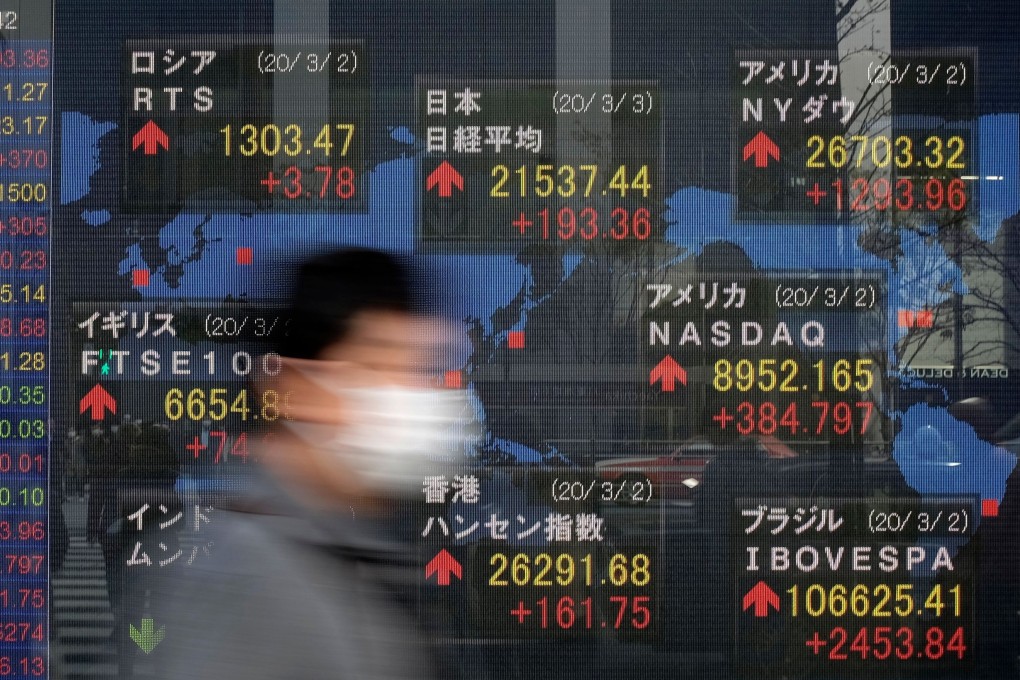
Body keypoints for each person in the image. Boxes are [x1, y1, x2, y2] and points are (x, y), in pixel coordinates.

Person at [151, 249, 469, 680]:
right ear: (293, 387)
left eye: (418, 367)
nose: (408, 393)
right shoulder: (247, 574)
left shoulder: (344, 546)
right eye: (376, 365)